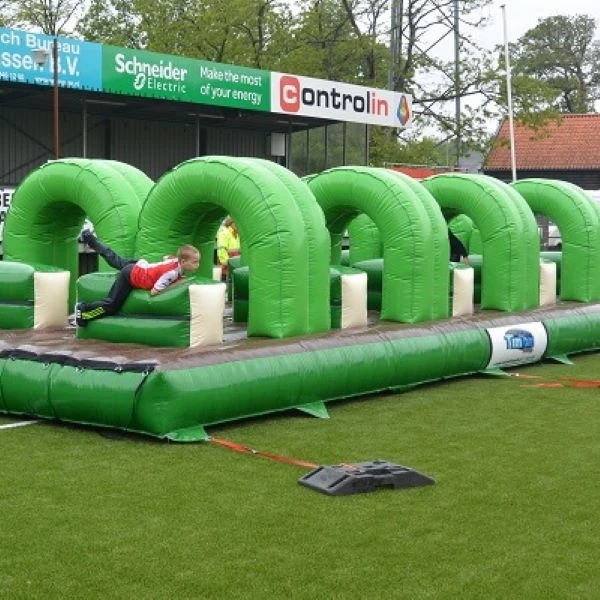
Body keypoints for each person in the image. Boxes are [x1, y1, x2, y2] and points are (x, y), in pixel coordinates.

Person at [75, 230, 200, 327]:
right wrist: (177, 283)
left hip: (139, 265)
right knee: (112, 305)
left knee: (113, 258)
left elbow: (166, 257)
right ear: (183, 262)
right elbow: (154, 291)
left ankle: (90, 239)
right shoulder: (172, 273)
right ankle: (84, 310)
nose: (198, 265)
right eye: (195, 262)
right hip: (130, 275)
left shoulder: (175, 261)